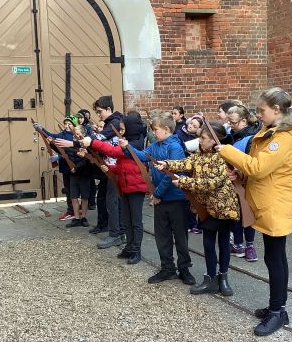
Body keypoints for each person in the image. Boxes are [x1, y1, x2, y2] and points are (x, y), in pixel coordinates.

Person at [216, 88, 292, 336]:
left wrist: (227, 151)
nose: (259, 115)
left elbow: (259, 167)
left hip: (275, 205)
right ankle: (276, 307)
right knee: (274, 257)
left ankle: (278, 312)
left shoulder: (283, 138)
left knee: (275, 259)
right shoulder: (271, 132)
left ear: (277, 110)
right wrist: (240, 174)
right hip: (267, 203)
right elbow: (259, 170)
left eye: (262, 110)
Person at [156, 121, 239, 296]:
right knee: (208, 242)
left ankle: (223, 278)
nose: (200, 141)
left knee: (223, 242)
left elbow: (211, 183)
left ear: (214, 140)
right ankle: (210, 278)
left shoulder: (223, 156)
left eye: (203, 138)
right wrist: (166, 164)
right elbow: (185, 163)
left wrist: (183, 181)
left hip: (224, 207)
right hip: (206, 207)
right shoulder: (199, 154)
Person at [119, 113, 195, 285]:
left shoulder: (175, 147)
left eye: (155, 129)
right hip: (161, 199)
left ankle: (184, 268)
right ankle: (167, 268)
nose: (153, 132)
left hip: (176, 199)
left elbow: (171, 174)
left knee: (180, 237)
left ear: (166, 129)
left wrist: (157, 194)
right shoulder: (155, 145)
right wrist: (126, 147)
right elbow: (141, 156)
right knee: (162, 236)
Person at [55, 95, 124, 249]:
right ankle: (110, 228)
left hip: (115, 168)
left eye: (100, 112)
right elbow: (96, 143)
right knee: (106, 199)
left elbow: (97, 139)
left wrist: (74, 142)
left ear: (108, 109)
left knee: (113, 202)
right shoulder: (111, 122)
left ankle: (116, 234)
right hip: (107, 168)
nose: (98, 115)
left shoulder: (114, 122)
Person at [81, 112, 147, 264]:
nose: (121, 133)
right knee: (127, 220)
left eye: (123, 129)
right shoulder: (127, 142)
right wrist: (110, 168)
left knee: (136, 222)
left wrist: (92, 142)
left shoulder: (133, 144)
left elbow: (113, 151)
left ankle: (136, 250)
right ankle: (129, 247)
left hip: (136, 188)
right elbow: (121, 165)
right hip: (125, 186)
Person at [227, 104, 261, 262]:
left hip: (245, 182)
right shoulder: (234, 135)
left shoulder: (251, 139)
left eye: (233, 122)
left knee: (247, 214)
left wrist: (239, 171)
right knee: (236, 214)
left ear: (244, 121)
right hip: (235, 180)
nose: (231, 125)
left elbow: (251, 162)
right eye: (229, 122)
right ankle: (239, 245)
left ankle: (249, 246)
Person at [37, 115, 78, 221]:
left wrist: (59, 157)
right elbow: (51, 136)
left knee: (73, 191)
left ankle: (74, 211)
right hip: (65, 167)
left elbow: (73, 152)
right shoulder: (62, 134)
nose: (67, 126)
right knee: (68, 190)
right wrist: (41, 129)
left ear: (74, 125)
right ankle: (71, 210)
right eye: (65, 123)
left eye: (69, 124)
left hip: (74, 167)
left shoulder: (75, 137)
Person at [65, 125, 92, 228]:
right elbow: (65, 154)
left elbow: (87, 160)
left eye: (77, 133)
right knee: (74, 196)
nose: (75, 135)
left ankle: (83, 217)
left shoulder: (87, 145)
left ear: (83, 134)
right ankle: (76, 218)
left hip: (84, 173)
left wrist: (76, 168)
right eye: (74, 133)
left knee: (85, 197)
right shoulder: (70, 145)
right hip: (73, 174)